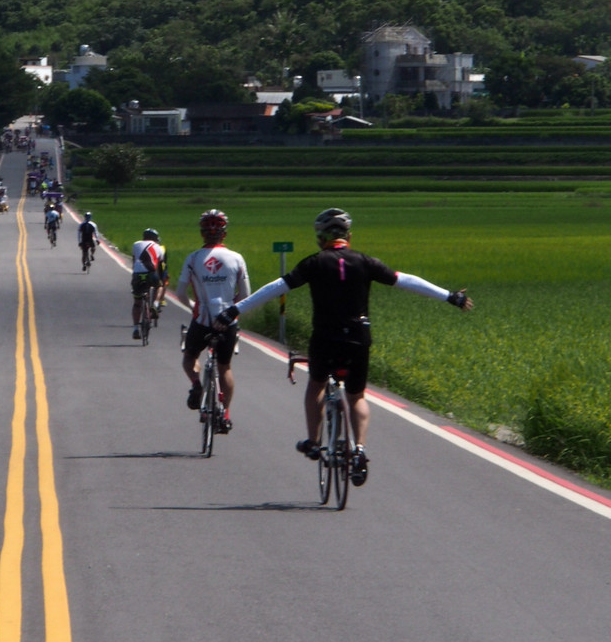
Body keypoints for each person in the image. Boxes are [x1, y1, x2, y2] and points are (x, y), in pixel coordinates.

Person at [218, 207, 472, 486]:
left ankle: (314, 442)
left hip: (325, 337)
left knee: (315, 385)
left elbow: (275, 287)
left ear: (320, 238)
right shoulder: (365, 262)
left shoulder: (313, 263)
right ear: (348, 236)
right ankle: (360, 449)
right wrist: (450, 296)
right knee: (357, 396)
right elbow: (406, 281)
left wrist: (234, 311)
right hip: (358, 336)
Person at [176, 210, 250, 433]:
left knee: (190, 356)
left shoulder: (193, 258)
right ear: (224, 234)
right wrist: (232, 310)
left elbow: (180, 292)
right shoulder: (236, 258)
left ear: (202, 233)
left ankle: (197, 384)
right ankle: (225, 414)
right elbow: (246, 294)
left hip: (202, 319)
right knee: (225, 367)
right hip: (227, 320)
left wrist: (193, 308)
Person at [130, 227, 166, 339]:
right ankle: (155, 304)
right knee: (159, 286)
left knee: (137, 302)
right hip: (151, 274)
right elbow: (161, 266)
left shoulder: (136, 244)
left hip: (137, 275)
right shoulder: (159, 248)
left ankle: (136, 328)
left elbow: (134, 260)